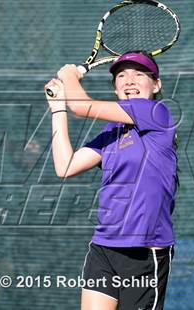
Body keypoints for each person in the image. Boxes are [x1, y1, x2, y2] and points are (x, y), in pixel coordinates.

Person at [44, 51, 178, 310]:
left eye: (139, 74)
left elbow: (81, 106)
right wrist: (58, 108)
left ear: (156, 85)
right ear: (115, 87)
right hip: (104, 248)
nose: (129, 80)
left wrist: (70, 75)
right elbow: (66, 166)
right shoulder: (111, 132)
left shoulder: (156, 112)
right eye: (121, 75)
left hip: (143, 252)